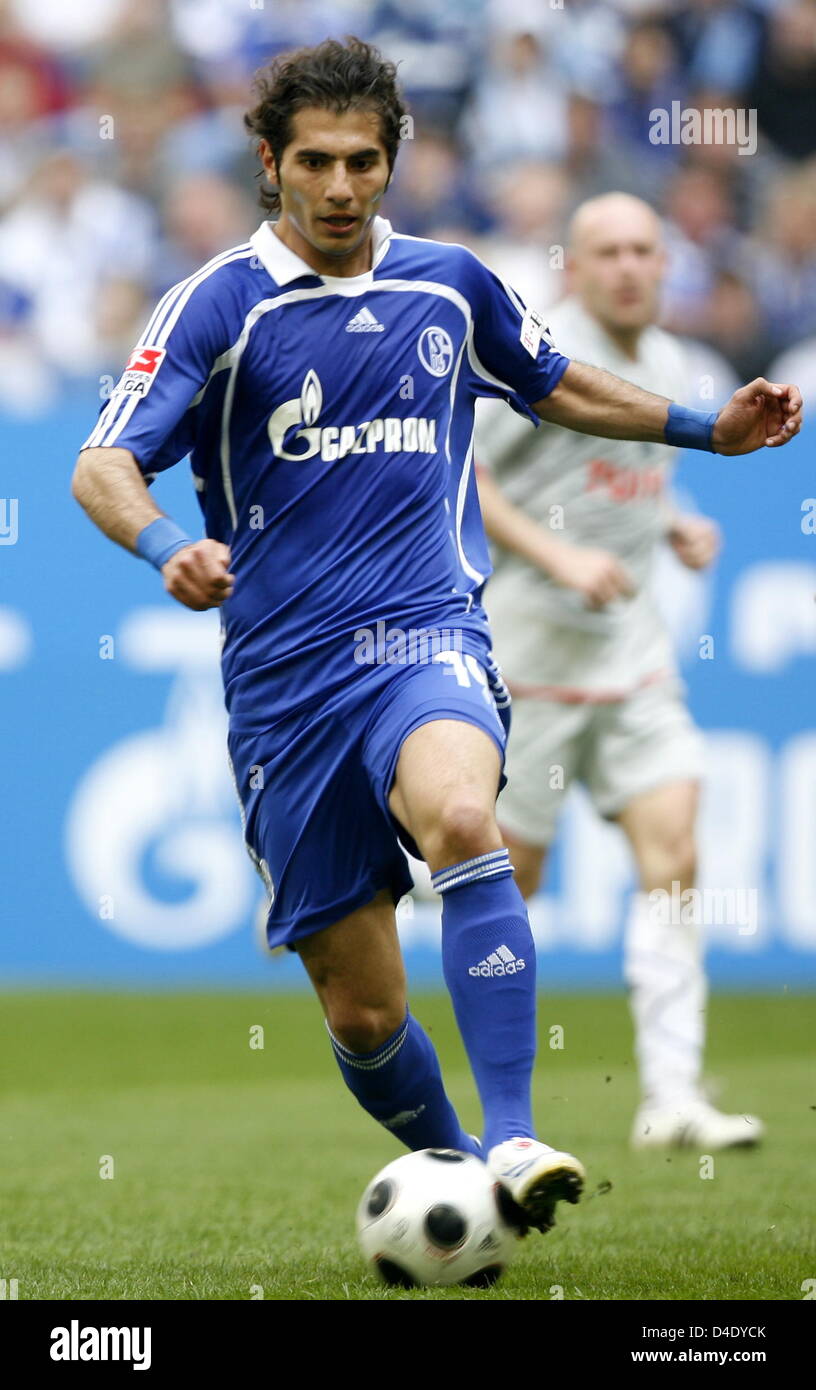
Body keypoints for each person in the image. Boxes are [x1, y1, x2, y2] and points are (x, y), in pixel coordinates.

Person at [71, 39, 801, 1233]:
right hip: (284, 684)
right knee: (361, 1014)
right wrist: (165, 545)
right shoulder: (218, 302)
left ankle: (515, 1128)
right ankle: (470, 1171)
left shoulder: (451, 281)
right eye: (317, 162)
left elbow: (553, 376)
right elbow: (102, 461)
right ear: (270, 161)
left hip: (425, 632)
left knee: (466, 817)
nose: (343, 186)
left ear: (392, 161)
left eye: (365, 160)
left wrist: (702, 429)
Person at [476, 192, 767, 1149]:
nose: (631, 267)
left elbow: (636, 477)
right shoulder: (544, 358)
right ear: (577, 265)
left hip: (633, 657)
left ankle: (672, 1098)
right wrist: (557, 558)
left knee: (676, 851)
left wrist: (672, 523)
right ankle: (495, 1111)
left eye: (646, 249)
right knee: (512, 883)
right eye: (610, 251)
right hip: (531, 660)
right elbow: (470, 485)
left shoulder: (677, 363)